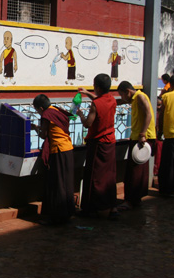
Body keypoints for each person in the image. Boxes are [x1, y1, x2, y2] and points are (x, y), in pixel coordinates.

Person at [76, 73, 118, 219]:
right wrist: (88, 93)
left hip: (98, 143)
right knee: (109, 176)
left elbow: (88, 123)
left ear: (98, 87)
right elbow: (101, 101)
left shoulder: (95, 104)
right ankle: (111, 206)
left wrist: (80, 114)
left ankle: (94, 208)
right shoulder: (112, 99)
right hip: (110, 142)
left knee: (95, 177)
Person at [32, 94, 75, 224]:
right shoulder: (56, 110)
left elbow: (44, 135)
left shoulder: (47, 115)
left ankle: (56, 217)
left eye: (37, 110)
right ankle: (67, 213)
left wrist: (35, 128)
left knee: (57, 183)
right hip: (68, 149)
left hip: (58, 150)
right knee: (66, 182)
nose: (38, 113)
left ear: (40, 108)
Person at [116, 81, 156, 211]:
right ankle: (135, 198)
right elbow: (119, 102)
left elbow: (148, 114)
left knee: (135, 171)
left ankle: (131, 200)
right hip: (138, 136)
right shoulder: (134, 99)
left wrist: (142, 133)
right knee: (137, 170)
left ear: (128, 91)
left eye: (122, 94)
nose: (122, 97)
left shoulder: (140, 96)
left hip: (142, 138)